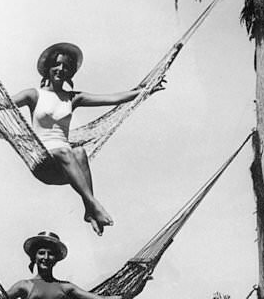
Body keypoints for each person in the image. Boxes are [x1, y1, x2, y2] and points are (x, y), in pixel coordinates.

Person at [12, 42, 163, 235]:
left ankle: (89, 211)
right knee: (65, 150)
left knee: (79, 151)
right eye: (57, 65)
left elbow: (113, 98)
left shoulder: (73, 98)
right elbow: (2, 103)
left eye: (66, 67)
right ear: (48, 68)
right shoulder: (33, 95)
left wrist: (146, 90)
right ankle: (94, 204)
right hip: (43, 164)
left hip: (65, 170)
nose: (61, 69)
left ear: (70, 73)